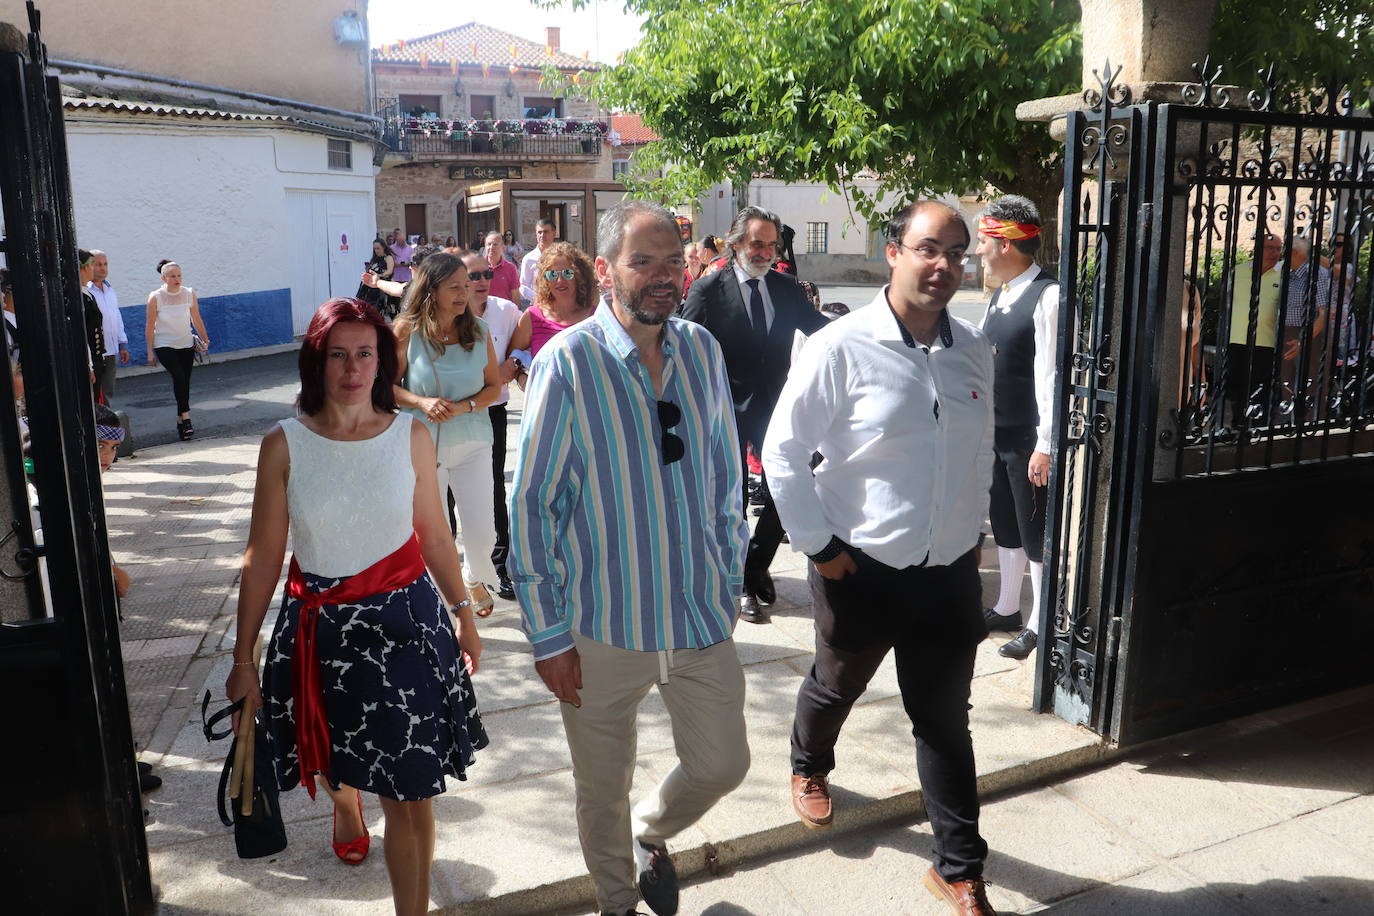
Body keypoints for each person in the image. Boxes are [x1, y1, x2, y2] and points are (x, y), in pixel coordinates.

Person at [509, 199, 749, 916]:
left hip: (697, 617)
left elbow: (724, 478)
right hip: (601, 629)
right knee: (600, 791)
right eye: (643, 261)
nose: (663, 276)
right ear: (607, 269)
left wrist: (728, 576)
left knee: (723, 764)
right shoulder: (567, 363)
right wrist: (548, 636)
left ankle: (651, 832)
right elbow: (532, 506)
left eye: (674, 261)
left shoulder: (702, 349)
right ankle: (618, 902)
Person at [764, 200, 996, 916]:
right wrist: (821, 549)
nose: (944, 266)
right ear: (893, 252)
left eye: (957, 253)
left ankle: (959, 870)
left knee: (944, 720)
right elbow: (783, 452)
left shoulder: (972, 348)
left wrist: (972, 532)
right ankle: (809, 765)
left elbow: (975, 451)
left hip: (949, 570)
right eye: (929, 249)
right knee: (837, 685)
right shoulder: (843, 345)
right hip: (859, 567)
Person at [225, 298, 487, 916]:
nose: (351, 368)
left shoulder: (411, 434)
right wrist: (242, 657)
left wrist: (464, 610)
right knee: (339, 760)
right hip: (321, 631)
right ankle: (345, 805)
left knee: (412, 792)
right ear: (315, 362)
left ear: (383, 360)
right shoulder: (283, 444)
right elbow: (263, 556)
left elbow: (434, 534)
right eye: (337, 354)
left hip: (405, 627)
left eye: (364, 353)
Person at [680, 206, 827, 624]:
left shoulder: (786, 287)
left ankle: (756, 563)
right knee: (734, 499)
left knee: (793, 484)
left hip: (776, 406)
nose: (765, 251)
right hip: (721, 407)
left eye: (771, 244)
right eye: (756, 243)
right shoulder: (707, 291)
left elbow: (819, 328)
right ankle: (742, 583)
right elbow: (688, 351)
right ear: (736, 244)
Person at [391, 253, 505, 617]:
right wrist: (421, 402)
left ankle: (474, 576)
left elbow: (493, 388)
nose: (464, 292)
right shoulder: (406, 331)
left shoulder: (480, 331)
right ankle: (448, 605)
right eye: (454, 286)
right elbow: (387, 387)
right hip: (424, 447)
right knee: (434, 534)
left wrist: (465, 407)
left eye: (466, 284)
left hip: (473, 441)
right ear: (431, 289)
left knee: (483, 533)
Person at [973, 196, 1059, 662]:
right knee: (1005, 523)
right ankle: (1007, 606)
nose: (979, 250)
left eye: (985, 241)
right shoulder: (1000, 293)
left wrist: (1045, 445)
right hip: (998, 435)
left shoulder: (1047, 295)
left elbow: (1051, 376)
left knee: (1034, 531)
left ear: (1007, 243)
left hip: (1029, 438)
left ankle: (1040, 621)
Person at [459, 250, 523, 601]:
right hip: (453, 414)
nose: (482, 281)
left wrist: (512, 365)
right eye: (474, 276)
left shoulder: (506, 312)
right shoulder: (448, 313)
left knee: (495, 487)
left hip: (492, 412)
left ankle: (500, 567)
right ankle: (454, 573)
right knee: (451, 492)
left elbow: (523, 346)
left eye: (486, 274)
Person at [507, 242, 599, 390]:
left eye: (567, 273)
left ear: (579, 276)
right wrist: (522, 378)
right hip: (547, 405)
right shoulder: (532, 317)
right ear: (545, 279)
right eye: (552, 274)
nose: (560, 280)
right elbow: (511, 359)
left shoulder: (596, 316)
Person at [145, 260, 209, 441]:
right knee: (179, 377)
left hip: (186, 343)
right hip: (164, 344)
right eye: (172, 276)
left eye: (179, 275)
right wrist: (150, 352)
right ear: (163, 278)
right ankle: (187, 418)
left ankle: (181, 419)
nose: (176, 279)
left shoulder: (189, 294)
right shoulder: (155, 297)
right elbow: (150, 326)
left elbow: (196, 318)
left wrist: (205, 338)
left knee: (185, 381)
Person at [1225, 232, 1285, 426]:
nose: (1274, 253)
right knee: (1236, 384)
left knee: (1262, 387)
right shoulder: (1239, 271)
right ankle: (1238, 422)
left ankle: (1259, 426)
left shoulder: (1284, 273)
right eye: (1270, 248)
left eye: (1278, 248)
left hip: (1266, 342)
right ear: (1258, 249)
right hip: (1237, 339)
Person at [87, 250, 130, 401]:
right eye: (98, 264)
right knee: (95, 392)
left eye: (105, 264)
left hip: (112, 350)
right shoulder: (86, 291)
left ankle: (107, 422)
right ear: (89, 266)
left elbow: (116, 316)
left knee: (108, 391)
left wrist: (122, 343)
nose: (103, 268)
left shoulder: (110, 289)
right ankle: (99, 422)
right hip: (96, 352)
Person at [77, 250, 107, 402]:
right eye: (91, 265)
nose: (93, 268)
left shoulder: (87, 293)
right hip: (90, 359)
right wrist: (89, 366)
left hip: (96, 357)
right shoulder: (79, 296)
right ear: (83, 268)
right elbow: (82, 334)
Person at [518, 219, 557, 304]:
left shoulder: (560, 257)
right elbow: (523, 286)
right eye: (539, 232)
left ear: (554, 234)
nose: (542, 235)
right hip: (538, 305)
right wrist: (539, 298)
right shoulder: (528, 259)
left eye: (546, 232)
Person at [359, 237, 398, 319]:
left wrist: (378, 275)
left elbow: (389, 271)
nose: (376, 250)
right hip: (371, 288)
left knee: (387, 311)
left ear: (383, 247)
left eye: (378, 248)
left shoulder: (388, 258)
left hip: (383, 287)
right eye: (374, 249)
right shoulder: (374, 259)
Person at [483, 231, 523, 308]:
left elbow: (516, 298)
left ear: (503, 247)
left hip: (504, 315)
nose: (491, 247)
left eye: (495, 244)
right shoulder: (479, 267)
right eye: (489, 244)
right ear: (485, 246)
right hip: (483, 315)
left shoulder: (511, 268)